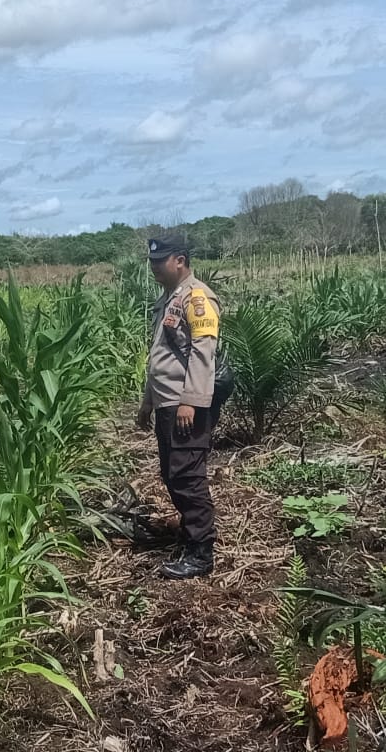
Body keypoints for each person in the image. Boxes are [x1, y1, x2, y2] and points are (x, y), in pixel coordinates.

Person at [137, 234, 222, 579]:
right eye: (152, 262)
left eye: (161, 261)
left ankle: (201, 553)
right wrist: (147, 402)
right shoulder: (169, 299)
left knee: (187, 478)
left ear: (181, 261)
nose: (154, 267)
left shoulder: (197, 297)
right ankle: (190, 538)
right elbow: (161, 357)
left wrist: (191, 401)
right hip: (167, 401)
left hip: (185, 403)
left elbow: (203, 350)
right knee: (173, 475)